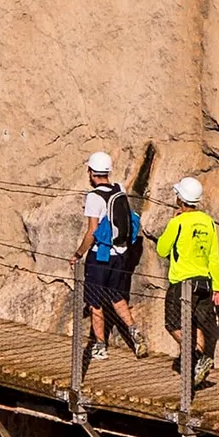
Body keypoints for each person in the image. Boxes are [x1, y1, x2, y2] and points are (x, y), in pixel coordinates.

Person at [155, 176, 219, 387]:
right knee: (197, 325)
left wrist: (172, 221)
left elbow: (161, 249)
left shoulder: (178, 222)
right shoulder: (208, 222)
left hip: (182, 282)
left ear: (181, 199)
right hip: (205, 281)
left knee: (173, 324)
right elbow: (214, 257)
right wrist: (218, 287)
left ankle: (197, 357)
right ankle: (197, 372)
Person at [80, 152, 144, 360]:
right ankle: (134, 332)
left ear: (91, 172)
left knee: (95, 301)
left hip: (101, 255)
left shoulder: (93, 197)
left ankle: (100, 346)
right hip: (121, 253)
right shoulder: (120, 189)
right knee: (117, 296)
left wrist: (78, 253)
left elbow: (92, 231)